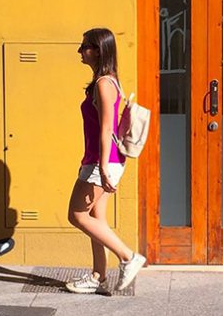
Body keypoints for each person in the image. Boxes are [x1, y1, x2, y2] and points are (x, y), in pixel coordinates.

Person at [65, 28, 146, 294]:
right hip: (103, 159)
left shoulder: (104, 84)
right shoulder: (107, 81)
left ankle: (128, 257)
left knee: (77, 215)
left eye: (84, 46)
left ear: (98, 51)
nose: (80, 51)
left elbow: (106, 128)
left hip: (103, 161)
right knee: (96, 217)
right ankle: (98, 276)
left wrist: (101, 167)